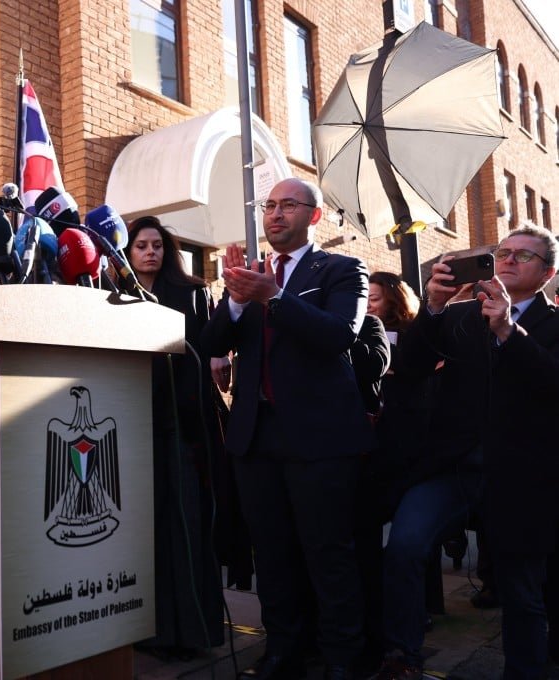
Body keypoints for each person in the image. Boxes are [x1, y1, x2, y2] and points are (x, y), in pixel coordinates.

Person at [200, 177, 372, 680]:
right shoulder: (250, 275)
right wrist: (234, 299)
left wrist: (273, 296)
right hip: (258, 435)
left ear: (313, 216)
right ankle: (283, 652)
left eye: (288, 205)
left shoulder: (341, 269)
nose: (275, 214)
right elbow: (212, 339)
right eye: (269, 205)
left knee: (327, 551)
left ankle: (343, 656)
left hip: (319, 437)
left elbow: (338, 336)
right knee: (271, 552)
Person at [376, 224, 559, 680]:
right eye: (503, 252)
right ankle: (402, 657)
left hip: (522, 475)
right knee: (403, 547)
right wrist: (433, 308)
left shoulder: (553, 323)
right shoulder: (458, 316)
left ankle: (524, 671)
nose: (509, 260)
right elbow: (412, 368)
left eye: (524, 256)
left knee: (520, 590)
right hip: (453, 467)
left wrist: (507, 332)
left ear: (548, 272)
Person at [125, 216, 227, 658]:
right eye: (140, 246)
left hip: (183, 427)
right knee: (147, 528)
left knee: (185, 524)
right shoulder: (115, 297)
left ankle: (192, 631)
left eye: (157, 245)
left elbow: (206, 351)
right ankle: (151, 630)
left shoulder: (191, 293)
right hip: (133, 427)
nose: (150, 252)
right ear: (127, 253)